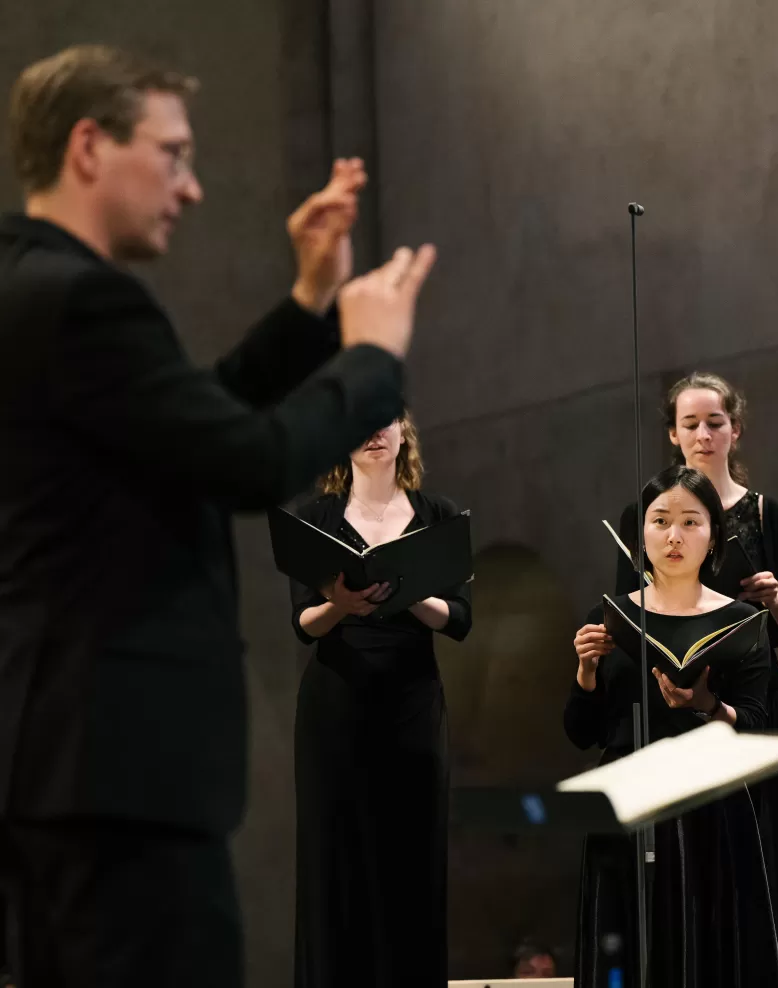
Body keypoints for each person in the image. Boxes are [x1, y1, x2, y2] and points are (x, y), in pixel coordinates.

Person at [0, 44, 434, 988]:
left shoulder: (29, 283)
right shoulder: (81, 300)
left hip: (65, 759)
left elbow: (196, 425)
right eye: (172, 154)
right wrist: (371, 358)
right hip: (117, 763)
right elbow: (249, 463)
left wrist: (310, 300)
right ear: (88, 147)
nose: (191, 188)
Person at [614, 373, 778, 987]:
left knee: (762, 854)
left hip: (752, 702)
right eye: (690, 424)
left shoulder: (766, 514)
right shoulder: (648, 513)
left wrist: (775, 600)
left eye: (715, 423)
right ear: (672, 434)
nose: (703, 435)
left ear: (736, 429)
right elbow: (624, 616)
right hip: (669, 701)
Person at [571, 465, 778, 987]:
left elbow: (758, 724)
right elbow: (580, 732)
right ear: (641, 534)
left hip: (712, 809)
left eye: (691, 522)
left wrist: (709, 706)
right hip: (626, 804)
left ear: (713, 537)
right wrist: (586, 672)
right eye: (660, 520)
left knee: (709, 952)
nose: (674, 536)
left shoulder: (741, 620)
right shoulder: (611, 616)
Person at [288, 412, 470, 987]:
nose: (373, 432)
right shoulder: (315, 518)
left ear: (403, 431)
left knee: (413, 857)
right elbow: (302, 623)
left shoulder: (437, 515)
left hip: (412, 702)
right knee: (335, 857)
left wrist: (410, 593)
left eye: (384, 418)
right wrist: (340, 605)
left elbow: (460, 618)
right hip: (335, 705)